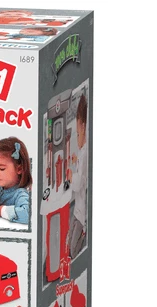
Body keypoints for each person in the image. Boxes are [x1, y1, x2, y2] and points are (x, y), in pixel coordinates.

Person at [67, 94, 88, 258]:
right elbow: (81, 173)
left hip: (82, 214)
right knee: (68, 241)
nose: (78, 139)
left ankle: (84, 235)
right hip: (77, 210)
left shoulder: (86, 152)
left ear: (84, 127)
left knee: (73, 251)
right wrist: (75, 162)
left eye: (78, 134)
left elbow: (78, 184)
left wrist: (69, 176)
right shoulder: (82, 151)